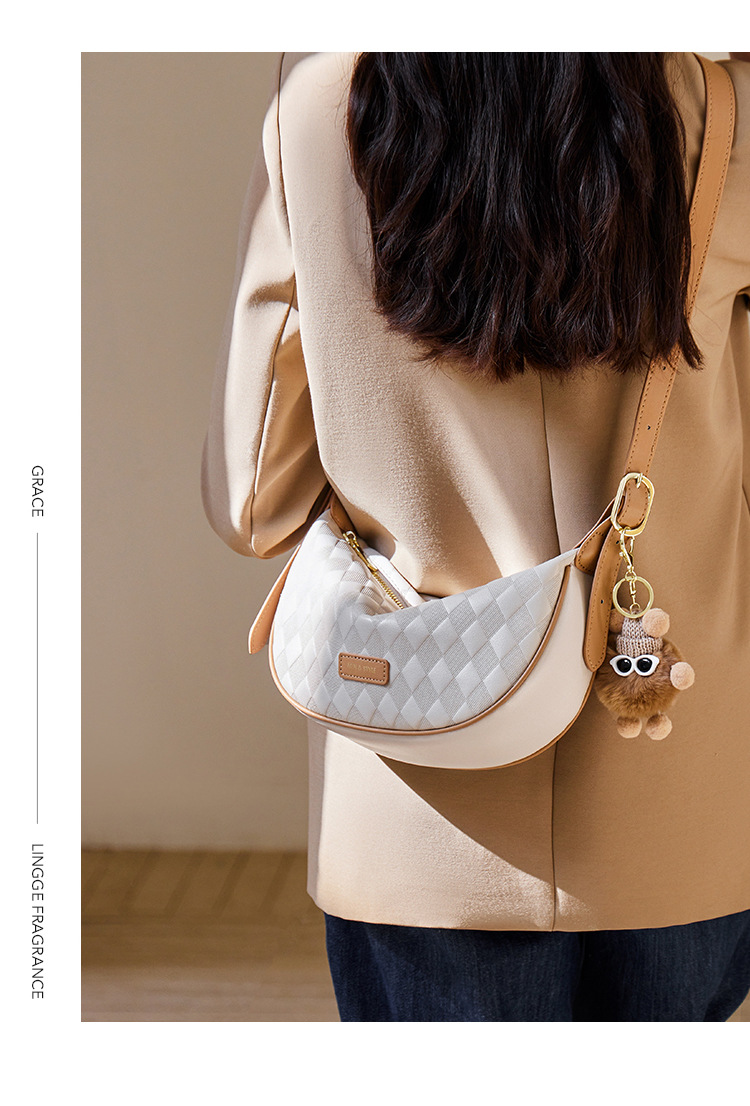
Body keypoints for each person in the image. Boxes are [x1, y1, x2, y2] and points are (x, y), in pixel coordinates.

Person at [201, 52, 750, 1021]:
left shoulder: (320, 98)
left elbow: (253, 505)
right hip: (680, 781)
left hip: (416, 793)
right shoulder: (723, 104)